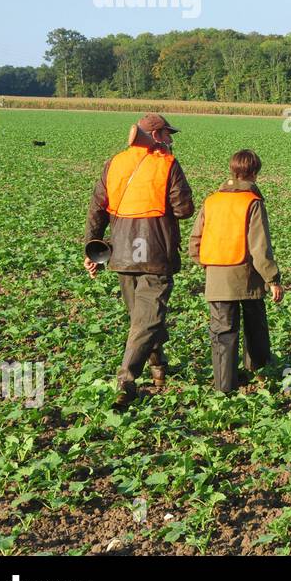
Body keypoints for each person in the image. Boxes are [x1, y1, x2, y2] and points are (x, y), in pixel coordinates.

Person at [84, 113, 195, 409]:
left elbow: (97, 207)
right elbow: (184, 209)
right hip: (154, 251)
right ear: (156, 136)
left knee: (143, 316)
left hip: (123, 252)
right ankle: (126, 381)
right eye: (168, 135)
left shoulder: (114, 163)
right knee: (148, 318)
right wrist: (168, 165)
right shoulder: (167, 164)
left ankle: (158, 367)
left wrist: (90, 248)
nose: (171, 140)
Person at [188, 149, 284, 394]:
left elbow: (195, 241)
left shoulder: (212, 200)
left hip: (217, 276)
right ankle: (259, 371)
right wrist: (272, 279)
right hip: (247, 275)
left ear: (233, 171)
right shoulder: (251, 202)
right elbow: (259, 246)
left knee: (223, 332)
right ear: (254, 173)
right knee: (255, 323)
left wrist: (209, 264)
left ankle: (224, 387)